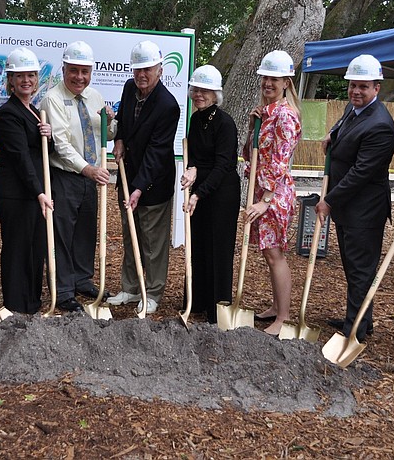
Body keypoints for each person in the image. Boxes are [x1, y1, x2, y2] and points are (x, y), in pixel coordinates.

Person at [315, 54, 394, 341]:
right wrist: (331, 134)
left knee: (361, 270)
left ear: (377, 88)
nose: (356, 92)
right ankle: (361, 318)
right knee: (353, 267)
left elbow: (361, 173)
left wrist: (329, 200)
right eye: (352, 86)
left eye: (363, 86)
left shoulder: (381, 125)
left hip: (364, 210)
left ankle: (355, 331)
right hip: (349, 210)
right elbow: (344, 122)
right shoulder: (355, 109)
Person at [39, 41, 116, 313]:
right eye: (74, 71)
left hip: (89, 178)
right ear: (64, 69)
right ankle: (63, 290)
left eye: (85, 71)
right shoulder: (53, 100)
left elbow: (106, 135)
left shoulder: (94, 97)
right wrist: (88, 169)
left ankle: (82, 279)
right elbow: (60, 144)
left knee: (85, 232)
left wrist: (111, 119)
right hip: (65, 176)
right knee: (62, 234)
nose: (80, 77)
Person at [107, 40, 180, 314]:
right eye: (138, 69)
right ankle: (130, 288)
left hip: (153, 183)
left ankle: (152, 292)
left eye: (148, 69)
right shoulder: (129, 88)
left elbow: (157, 153)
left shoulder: (167, 106)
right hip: (128, 174)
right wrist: (121, 139)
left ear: (160, 70)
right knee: (130, 235)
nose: (142, 75)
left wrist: (138, 189)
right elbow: (125, 121)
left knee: (153, 242)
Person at [243, 50, 302, 336]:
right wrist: (252, 125)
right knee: (269, 254)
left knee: (276, 254)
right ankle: (276, 307)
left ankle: (284, 317)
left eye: (274, 78)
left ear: (286, 83)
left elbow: (279, 160)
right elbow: (248, 154)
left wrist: (265, 202)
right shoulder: (265, 114)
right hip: (262, 190)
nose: (268, 83)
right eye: (265, 77)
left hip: (275, 194)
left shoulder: (286, 116)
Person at [0, 47, 53, 314]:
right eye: (20, 76)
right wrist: (39, 192)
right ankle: (16, 306)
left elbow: (43, 152)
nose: (26, 80)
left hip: (34, 193)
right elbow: (21, 159)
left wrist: (48, 136)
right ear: (11, 81)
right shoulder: (8, 114)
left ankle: (32, 304)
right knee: (18, 248)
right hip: (16, 193)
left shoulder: (35, 111)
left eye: (31, 75)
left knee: (35, 248)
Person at [179, 65, 240, 323]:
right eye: (196, 89)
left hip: (221, 193)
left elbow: (223, 164)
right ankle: (198, 300)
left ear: (216, 94)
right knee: (198, 244)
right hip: (201, 189)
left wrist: (199, 192)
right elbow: (196, 158)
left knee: (218, 247)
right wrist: (191, 171)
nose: (199, 94)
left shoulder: (225, 123)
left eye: (205, 90)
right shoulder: (195, 119)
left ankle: (218, 307)